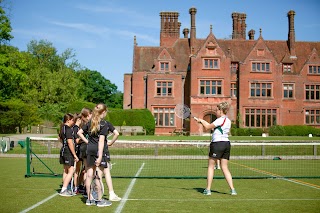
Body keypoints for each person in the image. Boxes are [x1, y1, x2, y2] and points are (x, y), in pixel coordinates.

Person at [78, 103, 121, 207]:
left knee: (89, 175)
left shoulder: (90, 123)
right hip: (97, 151)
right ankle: (99, 200)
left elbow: (79, 132)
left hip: (89, 150)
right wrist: (100, 156)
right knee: (97, 176)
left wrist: (87, 142)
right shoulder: (104, 124)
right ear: (104, 112)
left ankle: (89, 199)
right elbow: (101, 142)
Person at [194, 101, 237, 196]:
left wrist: (201, 121)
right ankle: (233, 189)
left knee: (211, 167)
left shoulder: (219, 120)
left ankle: (208, 190)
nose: (216, 111)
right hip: (226, 144)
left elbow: (208, 127)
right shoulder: (228, 121)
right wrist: (201, 121)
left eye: (217, 110)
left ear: (221, 110)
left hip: (217, 144)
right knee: (225, 168)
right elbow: (211, 126)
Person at [59, 113, 79, 196]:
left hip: (63, 151)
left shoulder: (61, 128)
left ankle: (65, 188)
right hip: (68, 152)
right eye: (72, 120)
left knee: (65, 171)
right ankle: (64, 189)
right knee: (71, 170)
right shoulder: (68, 129)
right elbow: (70, 142)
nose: (73, 122)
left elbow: (59, 138)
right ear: (68, 120)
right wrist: (74, 155)